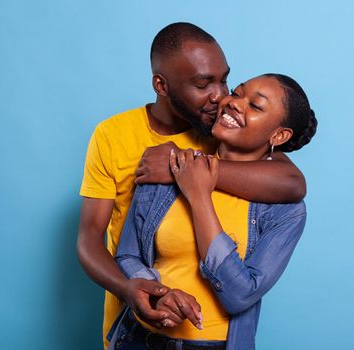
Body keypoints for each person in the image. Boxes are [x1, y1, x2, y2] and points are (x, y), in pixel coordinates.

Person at [77, 23, 306, 347]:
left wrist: (191, 170)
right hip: (135, 319)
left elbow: (293, 183)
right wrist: (134, 289)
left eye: (225, 80)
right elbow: (91, 240)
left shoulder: (218, 132)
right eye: (203, 84)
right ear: (161, 84)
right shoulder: (113, 136)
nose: (222, 96)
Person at [110, 73, 317, 349]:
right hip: (139, 340)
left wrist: (199, 196)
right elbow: (128, 254)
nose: (234, 103)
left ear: (278, 135)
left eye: (255, 106)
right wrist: (158, 293)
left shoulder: (285, 212)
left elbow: (240, 295)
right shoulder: (169, 167)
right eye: (237, 92)